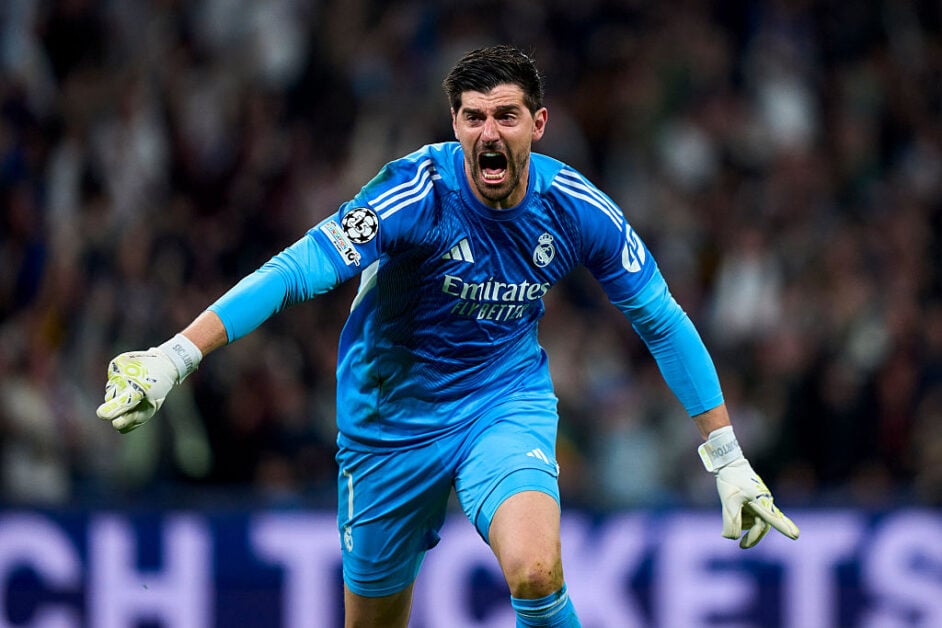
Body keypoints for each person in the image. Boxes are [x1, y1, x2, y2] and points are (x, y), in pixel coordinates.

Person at [97, 45, 799, 628]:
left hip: (502, 401)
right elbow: (300, 268)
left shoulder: (576, 208)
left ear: (539, 123)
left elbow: (661, 320)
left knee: (535, 571)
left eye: (505, 116)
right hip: (386, 422)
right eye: (472, 118)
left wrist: (726, 456)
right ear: (455, 125)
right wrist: (176, 354)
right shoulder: (415, 194)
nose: (488, 133)